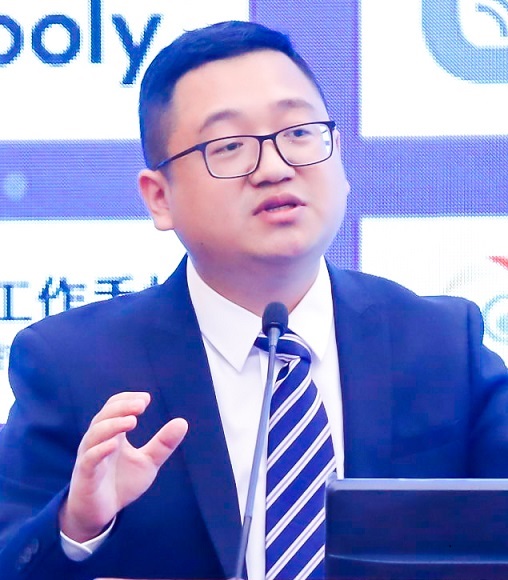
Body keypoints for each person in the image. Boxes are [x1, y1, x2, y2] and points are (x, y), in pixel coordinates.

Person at [1, 19, 508, 580]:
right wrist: (77, 526)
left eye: (299, 133)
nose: (274, 167)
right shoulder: (74, 365)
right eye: (230, 147)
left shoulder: (442, 345)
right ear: (159, 197)